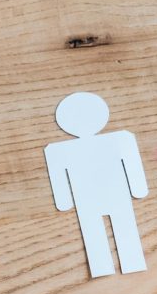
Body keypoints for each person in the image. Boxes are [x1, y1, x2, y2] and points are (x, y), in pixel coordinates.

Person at [44, 90, 151, 277]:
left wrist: (65, 201)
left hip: (92, 199)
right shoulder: (121, 138)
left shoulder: (58, 150)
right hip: (103, 197)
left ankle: (118, 264)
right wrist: (138, 189)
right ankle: (120, 263)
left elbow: (59, 182)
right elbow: (134, 170)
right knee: (114, 230)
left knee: (99, 232)